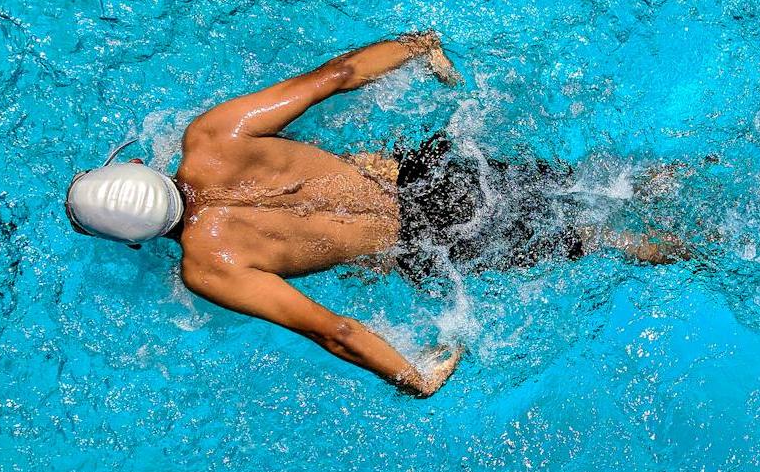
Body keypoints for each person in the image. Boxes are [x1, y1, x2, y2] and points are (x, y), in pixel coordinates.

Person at [65, 33, 688, 396]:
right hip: (431, 174)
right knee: (600, 185)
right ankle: (689, 171)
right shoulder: (211, 137)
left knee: (597, 239)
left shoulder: (207, 267)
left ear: (134, 241)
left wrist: (413, 377)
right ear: (138, 167)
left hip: (427, 242)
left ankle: (708, 248)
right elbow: (334, 77)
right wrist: (417, 48)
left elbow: (331, 329)